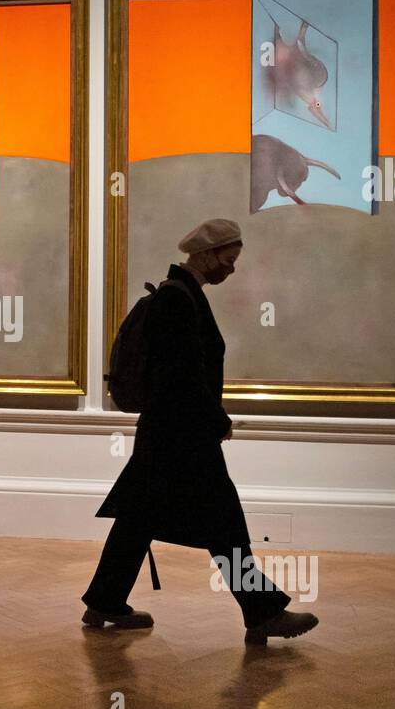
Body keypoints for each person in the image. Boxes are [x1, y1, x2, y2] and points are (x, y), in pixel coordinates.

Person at [82, 218, 319, 645]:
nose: (231, 269)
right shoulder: (178, 301)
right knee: (225, 524)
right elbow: (183, 376)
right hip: (183, 437)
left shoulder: (181, 295)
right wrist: (216, 420)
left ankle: (105, 599)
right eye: (228, 260)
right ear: (207, 255)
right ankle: (262, 612)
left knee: (138, 519)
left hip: (166, 434)